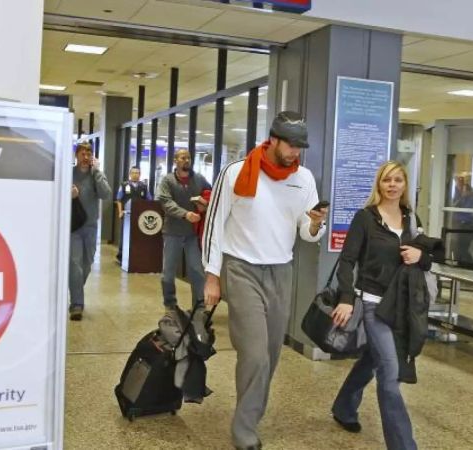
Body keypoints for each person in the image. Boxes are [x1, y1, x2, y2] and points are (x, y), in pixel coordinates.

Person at [202, 111, 327, 450]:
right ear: (273, 139)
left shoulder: (303, 178)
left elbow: (306, 231)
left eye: (300, 146)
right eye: (290, 144)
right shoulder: (237, 172)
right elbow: (213, 226)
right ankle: (244, 430)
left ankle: (249, 414)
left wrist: (315, 224)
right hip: (241, 269)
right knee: (255, 354)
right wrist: (212, 276)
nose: (295, 152)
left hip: (281, 271)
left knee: (270, 354)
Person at [328, 160, 428, 450]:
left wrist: (420, 256)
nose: (393, 185)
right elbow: (347, 261)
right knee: (390, 371)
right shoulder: (366, 218)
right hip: (373, 304)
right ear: (379, 184)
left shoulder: (411, 218)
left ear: (405, 185)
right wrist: (347, 298)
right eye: (387, 180)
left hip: (401, 306)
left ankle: (344, 407)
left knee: (372, 358)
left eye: (398, 180)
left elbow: (426, 256)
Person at [157, 149, 211, 312]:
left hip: (192, 234)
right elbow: (165, 202)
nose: (186, 160)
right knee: (168, 272)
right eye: (183, 158)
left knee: (197, 270)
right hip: (172, 232)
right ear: (175, 161)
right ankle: (170, 304)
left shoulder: (199, 179)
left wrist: (204, 204)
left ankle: (199, 305)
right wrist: (185, 214)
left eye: (188, 158)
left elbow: (210, 193)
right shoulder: (167, 180)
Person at [69, 142, 112, 321]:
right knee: (75, 266)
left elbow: (106, 194)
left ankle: (74, 287)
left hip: (91, 227)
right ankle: (77, 304)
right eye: (82, 153)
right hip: (74, 228)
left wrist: (97, 172)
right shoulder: (69, 174)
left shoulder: (96, 175)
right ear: (76, 155)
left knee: (86, 265)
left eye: (89, 154)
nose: (85, 157)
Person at [115, 166, 151, 263]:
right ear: (130, 174)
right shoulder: (124, 185)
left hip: (140, 215)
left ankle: (137, 256)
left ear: (140, 174)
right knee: (125, 235)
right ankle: (121, 255)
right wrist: (120, 212)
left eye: (137, 173)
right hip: (127, 214)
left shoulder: (144, 186)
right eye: (133, 173)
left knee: (138, 235)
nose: (135, 175)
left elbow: (149, 199)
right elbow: (118, 199)